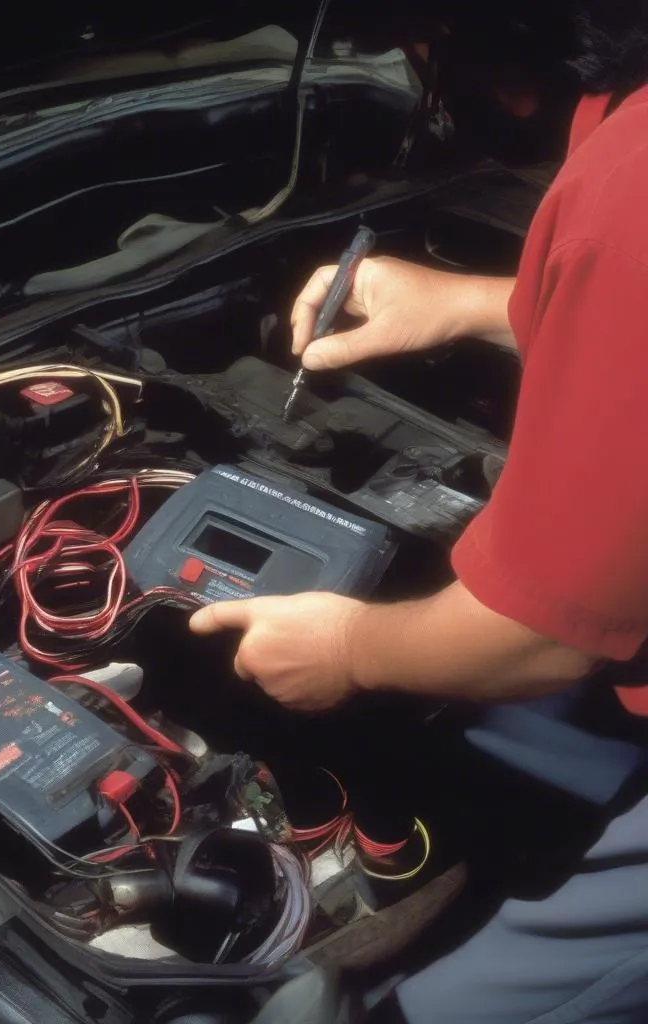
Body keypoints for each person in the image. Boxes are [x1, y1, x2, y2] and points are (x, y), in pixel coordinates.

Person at [189, 5, 648, 1022]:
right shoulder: (625, 118)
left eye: (414, 42)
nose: (418, 73)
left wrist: (349, 649)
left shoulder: (632, 188)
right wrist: (476, 302)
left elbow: (534, 641)